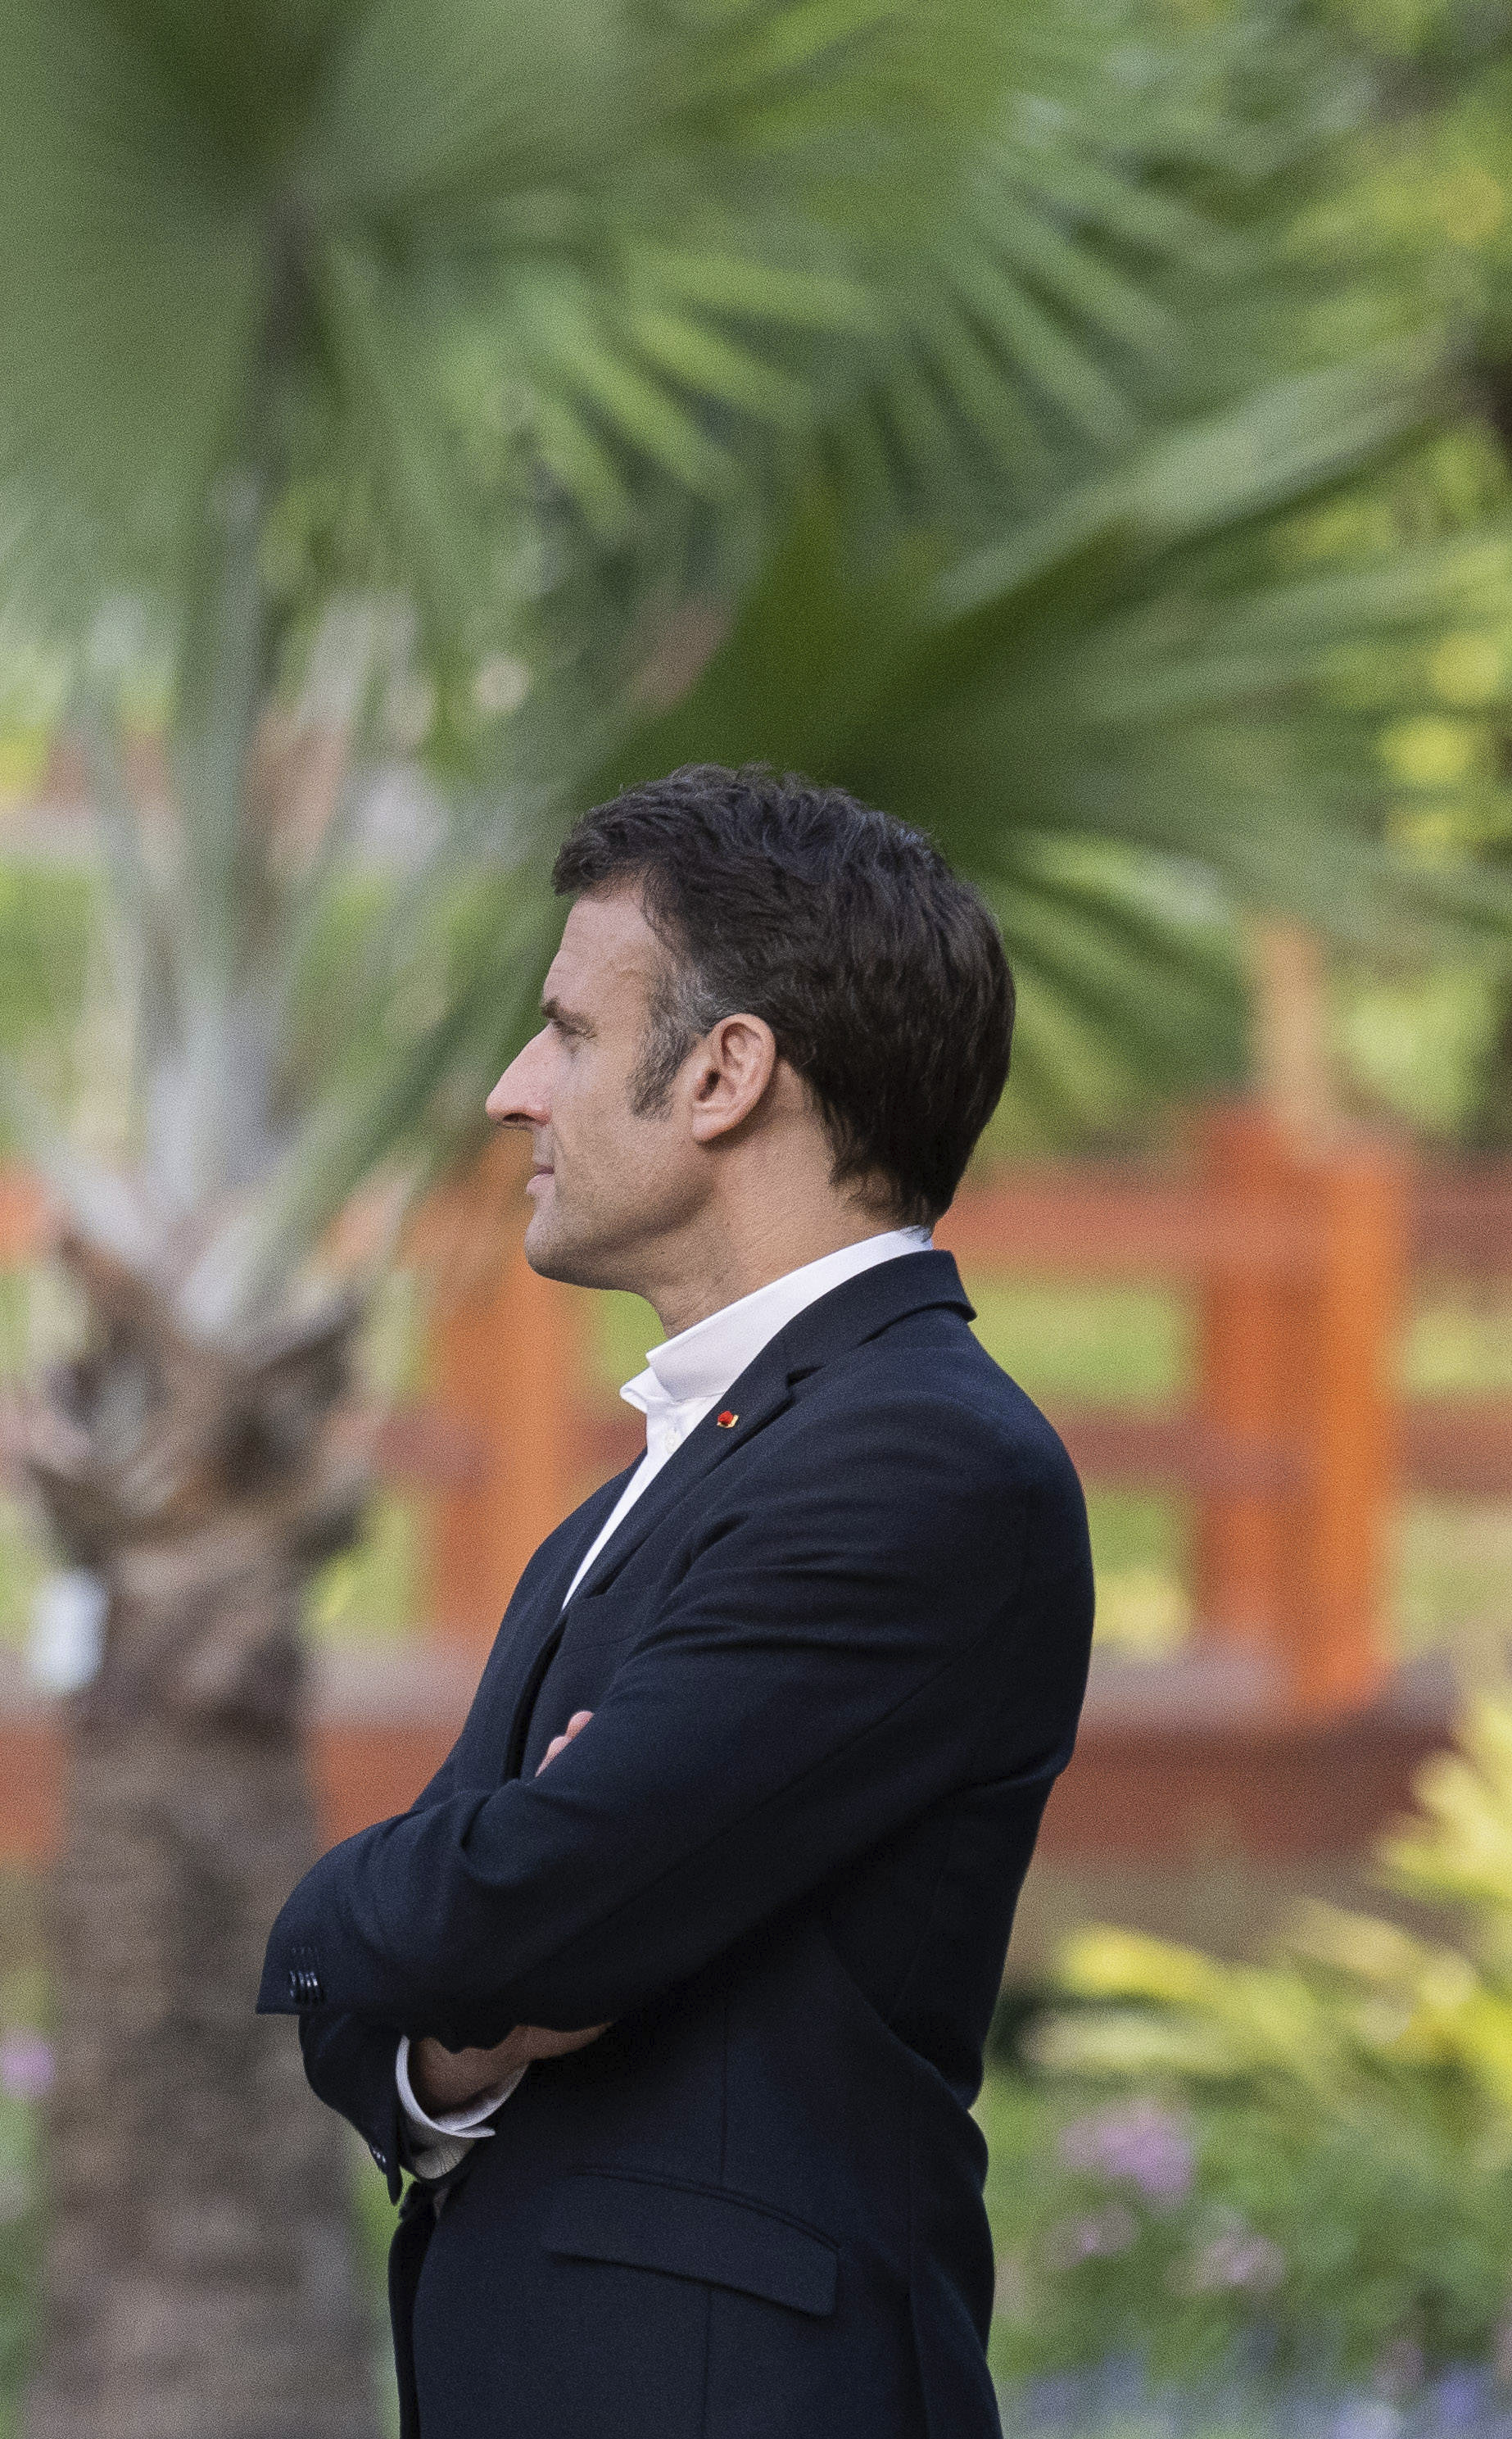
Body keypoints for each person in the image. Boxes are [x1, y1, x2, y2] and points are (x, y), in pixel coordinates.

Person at [260, 766, 1093, 2439]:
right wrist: (466, 2047)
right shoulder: (636, 1493)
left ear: (725, 1073)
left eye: (565, 1030)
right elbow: (415, 1988)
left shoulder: (922, 1463)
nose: (512, 1091)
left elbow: (505, 1905)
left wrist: (338, 1908)